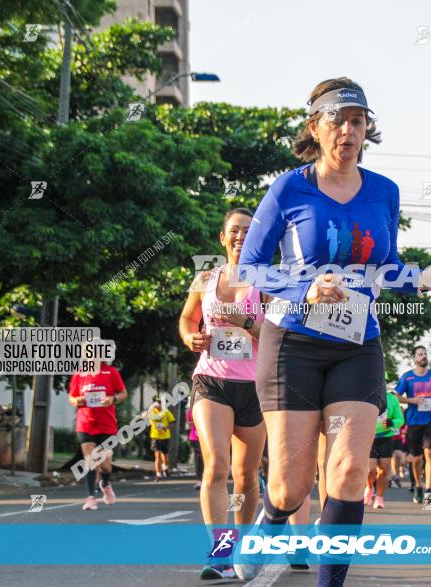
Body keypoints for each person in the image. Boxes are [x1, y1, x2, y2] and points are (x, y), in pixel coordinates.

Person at [234, 77, 431, 587]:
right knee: (292, 486)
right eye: (338, 120)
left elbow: (387, 269)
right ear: (315, 127)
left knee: (350, 473)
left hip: (358, 343)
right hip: (292, 342)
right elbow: (249, 269)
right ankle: (271, 522)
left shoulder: (384, 191)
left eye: (358, 121)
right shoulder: (290, 188)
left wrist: (423, 278)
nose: (348, 130)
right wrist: (303, 289)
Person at [179, 208, 268, 581]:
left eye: (248, 231)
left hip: (255, 388)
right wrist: (190, 337)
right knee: (216, 465)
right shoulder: (204, 280)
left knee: (246, 476)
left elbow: (277, 338)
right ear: (222, 237)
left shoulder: (267, 281)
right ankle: (220, 550)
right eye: (234, 230)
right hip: (211, 381)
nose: (240, 236)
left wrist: (245, 322)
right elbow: (187, 318)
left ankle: (241, 551)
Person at [67, 360, 127, 510]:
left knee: (105, 466)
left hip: (107, 424)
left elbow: (123, 393)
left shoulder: (111, 372)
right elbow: (72, 397)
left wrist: (112, 399)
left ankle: (105, 484)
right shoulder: (80, 373)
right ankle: (91, 497)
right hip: (85, 423)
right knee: (91, 461)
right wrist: (77, 400)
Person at [396, 345, 431, 505]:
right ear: (414, 358)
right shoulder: (407, 377)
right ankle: (418, 486)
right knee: (416, 458)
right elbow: (397, 396)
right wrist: (412, 400)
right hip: (413, 421)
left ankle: (429, 492)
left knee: (429, 453)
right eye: (419, 354)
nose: (423, 356)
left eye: (425, 353)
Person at [366, 385, 405, 509]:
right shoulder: (367, 396)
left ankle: (379, 497)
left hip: (386, 437)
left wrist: (392, 422)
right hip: (369, 437)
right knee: (370, 470)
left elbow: (400, 419)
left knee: (383, 469)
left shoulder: (392, 399)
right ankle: (369, 487)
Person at [148, 394, 176, 481]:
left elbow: (173, 422)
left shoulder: (166, 412)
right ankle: (158, 474)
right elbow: (151, 420)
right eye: (157, 402)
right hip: (155, 436)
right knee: (157, 456)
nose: (158, 404)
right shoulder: (152, 412)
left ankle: (165, 468)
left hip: (165, 436)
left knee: (165, 456)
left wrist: (166, 427)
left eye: (160, 403)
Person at [186, 407, 204, 491]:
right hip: (195, 437)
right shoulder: (191, 409)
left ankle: (208, 478)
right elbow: (189, 423)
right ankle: (199, 480)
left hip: (209, 438)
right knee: (199, 458)